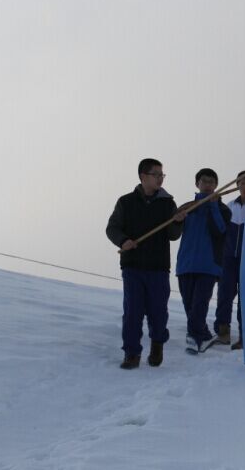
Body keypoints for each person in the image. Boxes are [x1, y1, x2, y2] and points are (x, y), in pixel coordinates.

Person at [106, 158, 185, 369]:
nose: (160, 178)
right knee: (133, 311)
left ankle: (157, 344)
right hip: (132, 265)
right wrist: (123, 241)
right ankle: (131, 353)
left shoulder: (168, 203)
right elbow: (112, 228)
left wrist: (178, 222)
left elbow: (173, 235)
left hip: (158, 266)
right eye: (156, 174)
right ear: (143, 176)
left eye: (162, 175)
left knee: (158, 311)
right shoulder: (126, 202)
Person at [175, 168, 232, 354]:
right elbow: (173, 234)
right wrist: (177, 220)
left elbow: (220, 231)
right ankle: (205, 335)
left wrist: (213, 206)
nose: (208, 185)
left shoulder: (223, 210)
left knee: (199, 304)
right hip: (185, 264)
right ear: (197, 183)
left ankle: (194, 340)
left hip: (209, 265)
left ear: (216, 185)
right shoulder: (187, 207)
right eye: (204, 181)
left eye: (212, 182)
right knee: (189, 306)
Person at [214, 170, 245, 349]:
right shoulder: (229, 207)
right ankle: (223, 332)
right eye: (242, 184)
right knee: (224, 294)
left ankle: (244, 337)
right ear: (237, 185)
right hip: (228, 258)